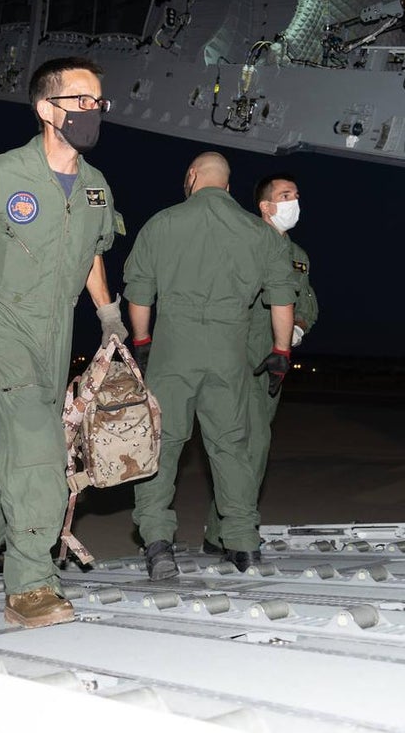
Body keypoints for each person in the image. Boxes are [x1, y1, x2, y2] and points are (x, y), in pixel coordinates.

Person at [0, 57, 126, 629]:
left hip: (58, 334)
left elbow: (93, 252)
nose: (94, 112)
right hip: (4, 328)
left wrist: (108, 312)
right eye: (82, 102)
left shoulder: (96, 186)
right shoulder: (2, 173)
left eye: (99, 103)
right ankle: (31, 584)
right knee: (38, 451)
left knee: (35, 461)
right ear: (48, 110)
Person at [124, 152, 296, 579]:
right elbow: (282, 300)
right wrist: (281, 351)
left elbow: (139, 295)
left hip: (174, 350)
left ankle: (159, 543)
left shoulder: (162, 224)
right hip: (229, 352)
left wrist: (143, 342)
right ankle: (242, 544)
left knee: (162, 446)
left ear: (192, 176)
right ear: (228, 184)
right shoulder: (260, 235)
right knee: (231, 446)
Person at [202, 173, 318, 559]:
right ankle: (239, 530)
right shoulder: (241, 243)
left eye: (296, 195)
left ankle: (219, 530)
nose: (293, 202)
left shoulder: (298, 256)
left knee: (251, 445)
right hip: (236, 356)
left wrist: (296, 330)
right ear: (265, 206)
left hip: (273, 361)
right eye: (285, 196)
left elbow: (308, 304)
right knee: (247, 445)